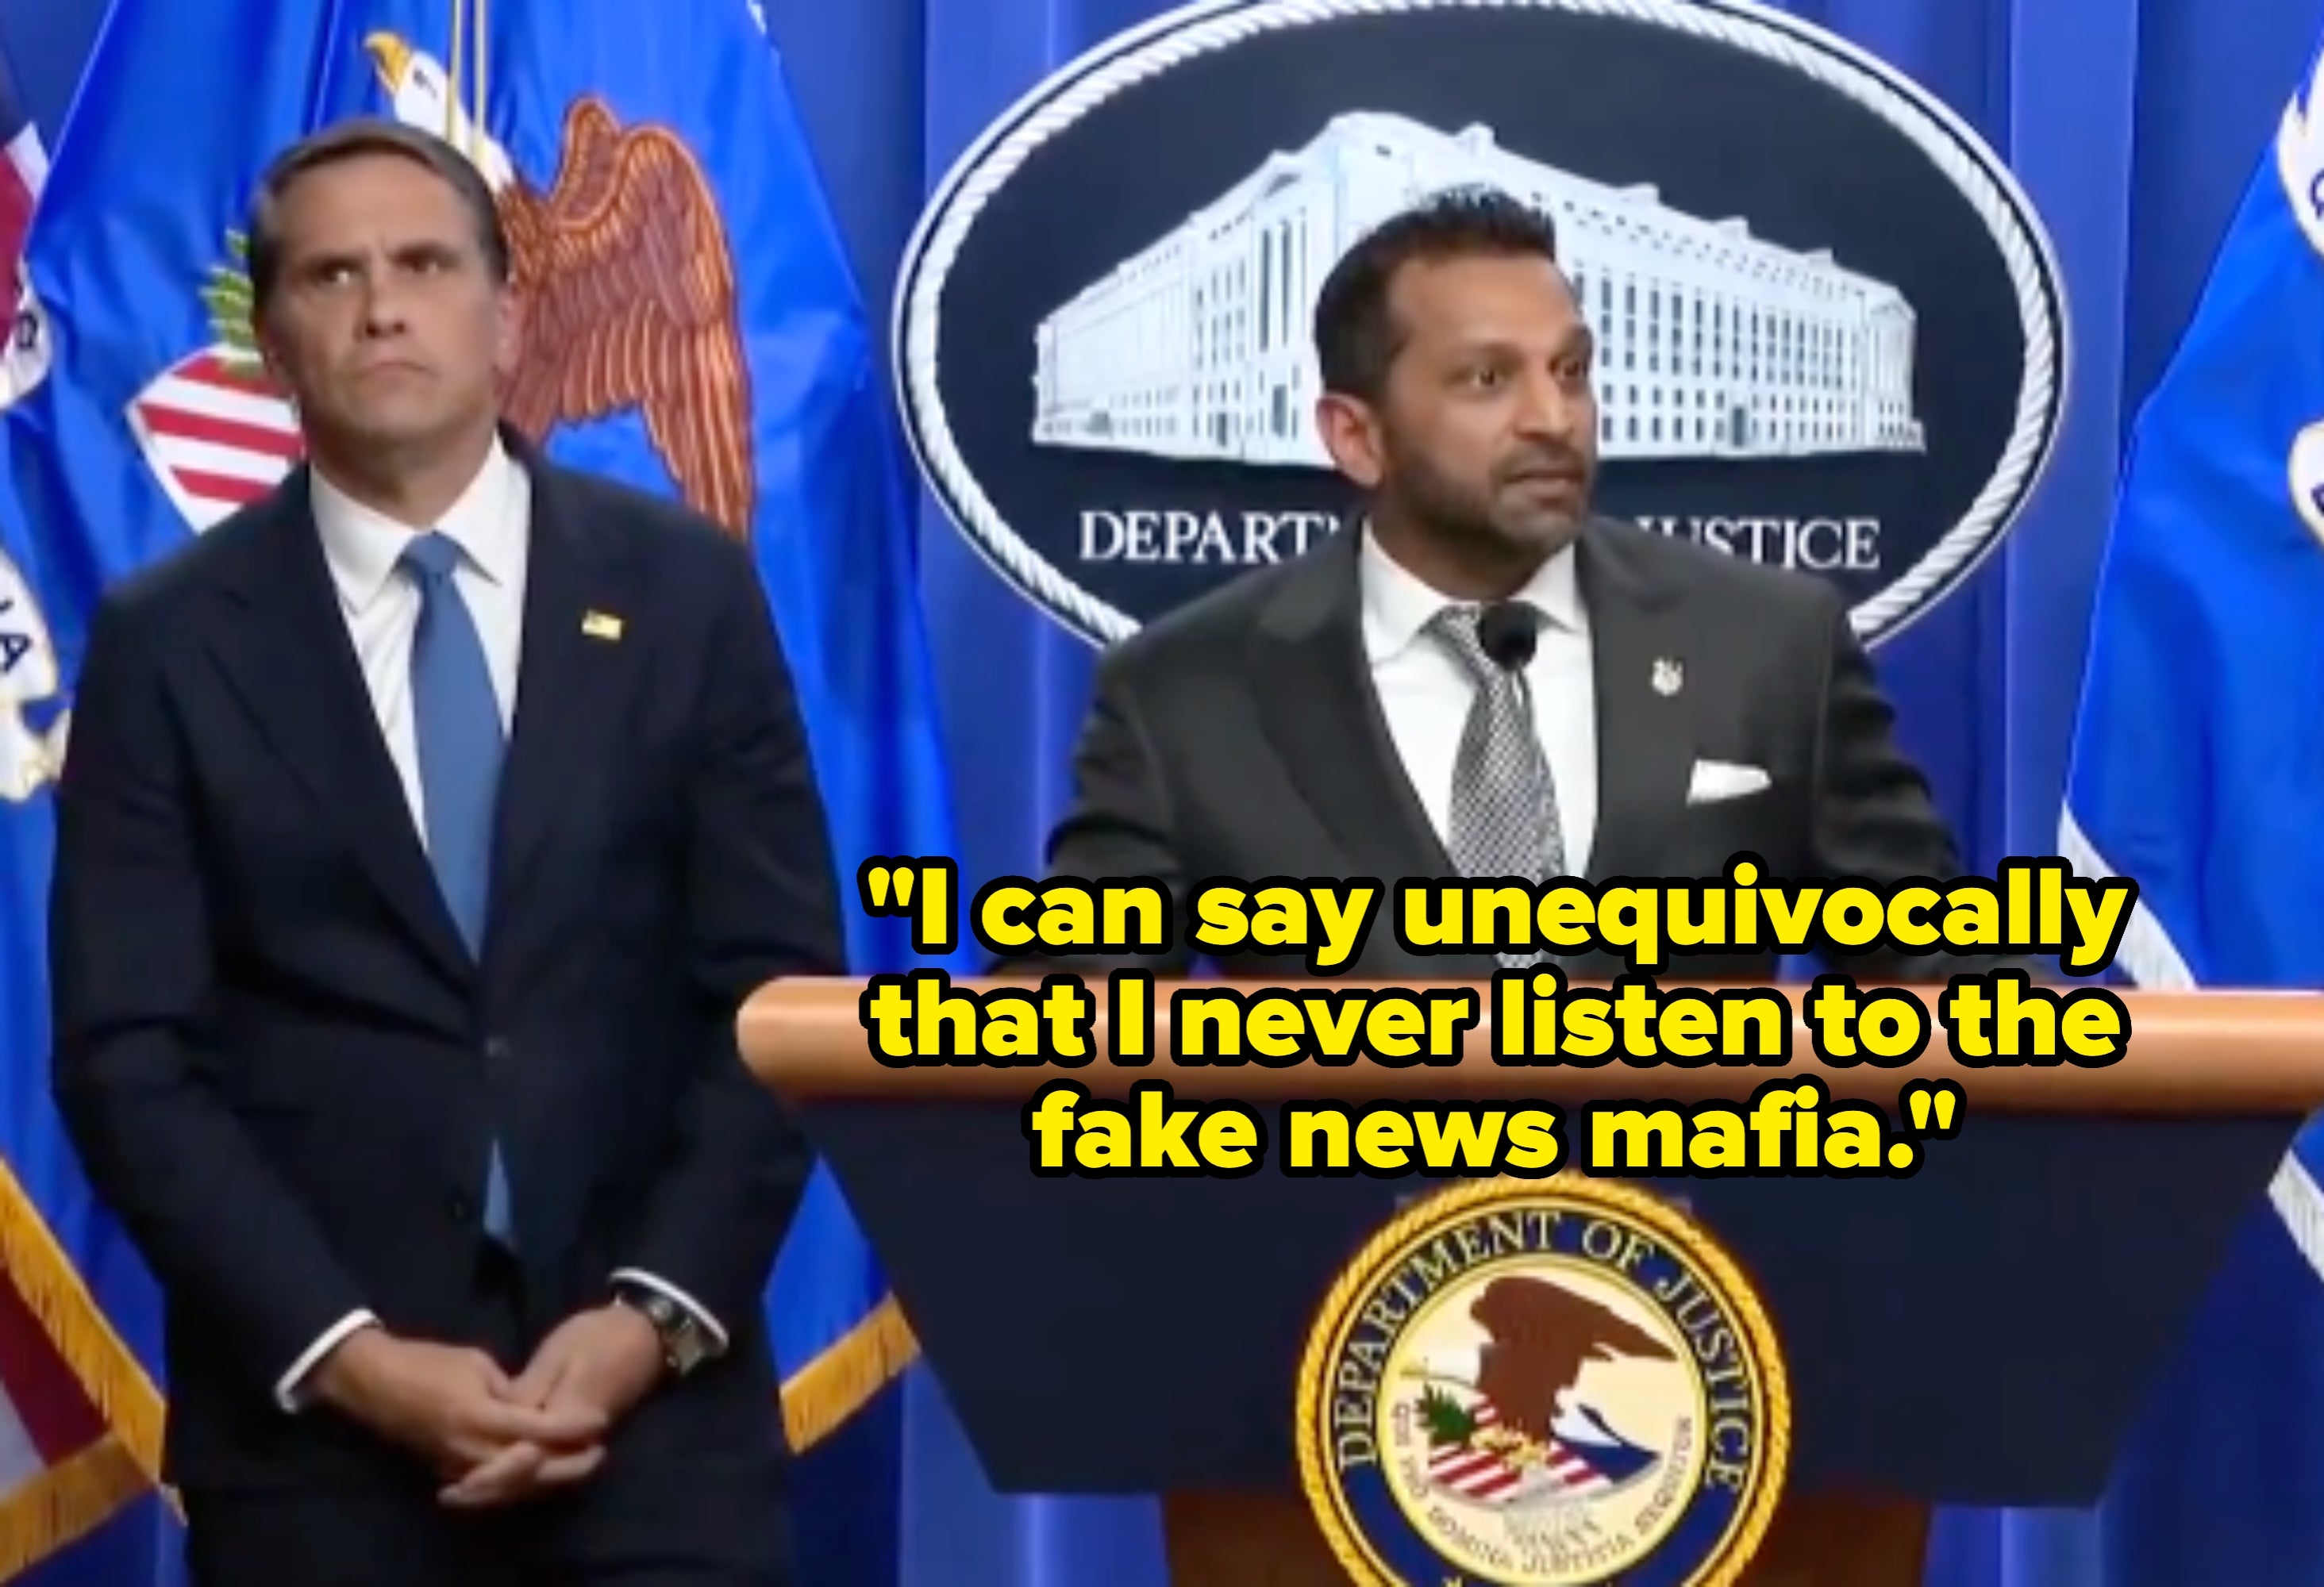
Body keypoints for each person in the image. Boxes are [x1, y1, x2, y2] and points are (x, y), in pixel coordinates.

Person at [46, 117, 843, 1586]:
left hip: (653, 1443)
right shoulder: (168, 643)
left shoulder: (685, 593)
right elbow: (130, 1054)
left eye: (422, 263)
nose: (382, 304)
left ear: (510, 310)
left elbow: (778, 998)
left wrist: (644, 1321)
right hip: (318, 1462)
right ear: (274, 344)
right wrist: (349, 1359)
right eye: (331, 276)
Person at [1036, 185, 2029, 985]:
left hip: (1687, 1226)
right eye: (1486, 380)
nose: (1555, 417)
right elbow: (1059, 1027)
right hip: (1351, 1225)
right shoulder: (1186, 693)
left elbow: (1937, 975)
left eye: (1572, 370)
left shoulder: (1770, 644)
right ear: (1356, 434)